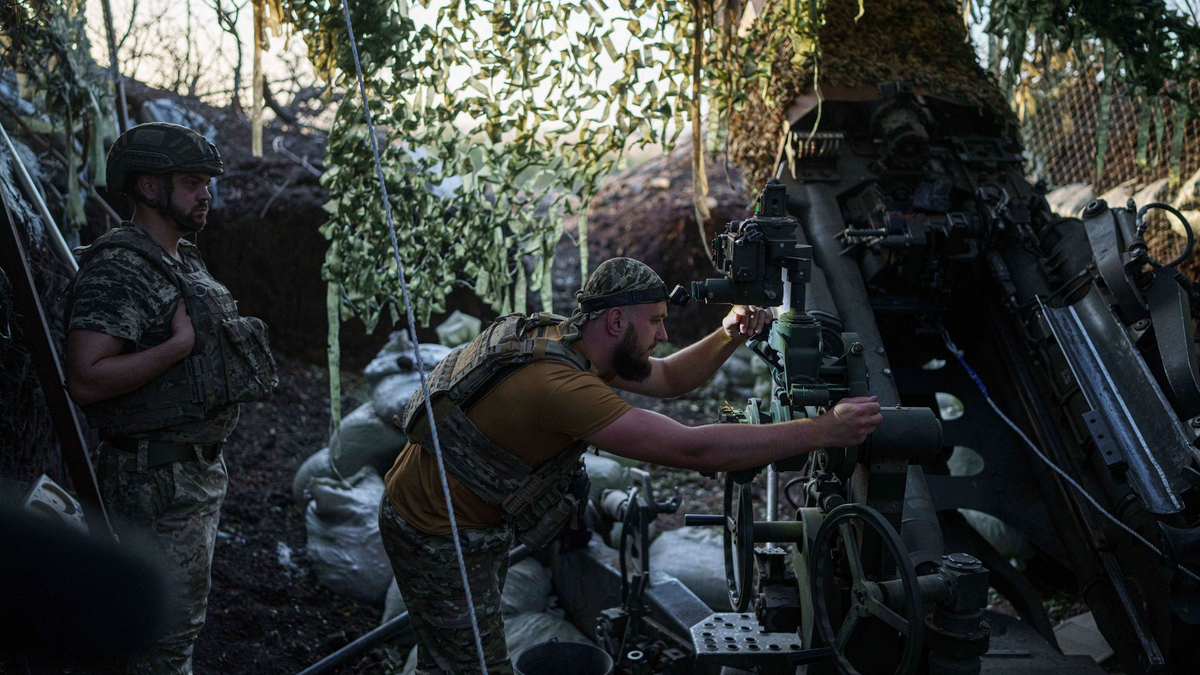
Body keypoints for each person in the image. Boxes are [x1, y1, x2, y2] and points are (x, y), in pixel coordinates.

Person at [378, 257, 883, 675]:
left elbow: (666, 379)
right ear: (617, 321)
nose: (663, 334)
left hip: (463, 518)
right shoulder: (561, 388)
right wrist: (822, 431)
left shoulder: (569, 339)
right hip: (435, 531)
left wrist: (728, 333)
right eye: (655, 321)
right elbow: (694, 450)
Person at [64, 122, 277, 675]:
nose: (205, 194)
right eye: (191, 182)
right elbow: (86, 378)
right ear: (148, 186)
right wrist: (176, 347)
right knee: (159, 641)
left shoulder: (182, 259)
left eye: (207, 182)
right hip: (155, 482)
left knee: (171, 632)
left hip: (191, 475)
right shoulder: (120, 267)